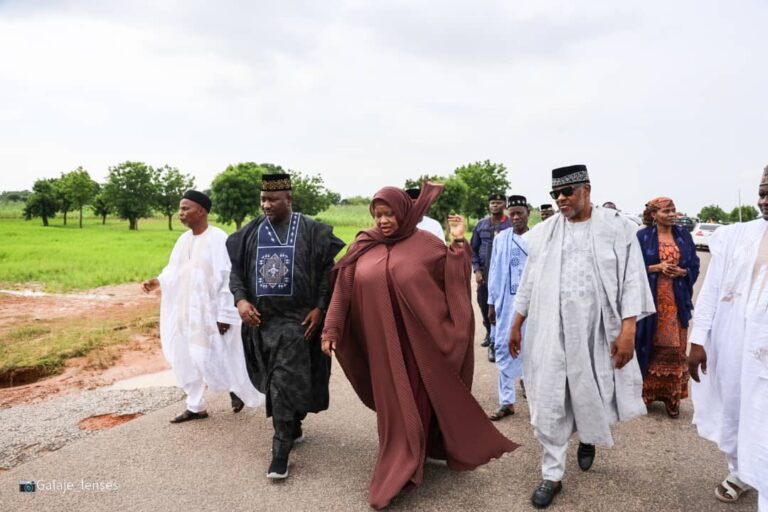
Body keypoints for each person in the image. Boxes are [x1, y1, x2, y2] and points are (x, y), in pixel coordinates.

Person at [321, 183, 518, 509]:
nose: (383, 221)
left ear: (405, 212)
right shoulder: (363, 245)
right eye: (378, 215)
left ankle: (403, 466)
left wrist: (458, 242)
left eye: (390, 214)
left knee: (413, 402)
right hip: (382, 346)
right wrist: (332, 329)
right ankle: (409, 453)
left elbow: (452, 278)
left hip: (418, 345)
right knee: (393, 405)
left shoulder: (425, 244)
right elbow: (343, 289)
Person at [508, 165, 655, 509]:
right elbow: (529, 282)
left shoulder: (618, 229)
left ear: (586, 189)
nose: (561, 199)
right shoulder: (544, 233)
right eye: (555, 194)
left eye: (568, 191)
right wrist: (516, 322)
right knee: (549, 398)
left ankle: (587, 435)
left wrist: (628, 329)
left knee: (591, 393)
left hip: (597, 330)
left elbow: (633, 280)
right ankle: (552, 474)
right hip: (551, 329)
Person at [226, 174, 345, 480]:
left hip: (297, 323)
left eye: (273, 200)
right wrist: (241, 301)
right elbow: (236, 274)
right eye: (263, 199)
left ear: (289, 200)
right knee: (280, 382)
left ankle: (280, 451)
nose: (266, 204)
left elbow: (325, 273)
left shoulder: (312, 231)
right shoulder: (248, 233)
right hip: (261, 322)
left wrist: (320, 307)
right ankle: (293, 423)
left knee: (282, 380)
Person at [141, 190, 264, 424]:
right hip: (187, 312)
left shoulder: (218, 239)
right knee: (186, 356)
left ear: (201, 211)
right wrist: (158, 282)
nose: (181, 213)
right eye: (180, 209)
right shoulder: (183, 241)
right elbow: (174, 271)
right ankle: (195, 405)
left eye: (185, 208)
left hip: (212, 313)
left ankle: (235, 388)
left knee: (215, 356)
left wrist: (226, 314)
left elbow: (229, 277)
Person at [688, 167, 768, 509]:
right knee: (735, 408)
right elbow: (712, 290)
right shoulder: (738, 235)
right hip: (734, 344)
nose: (763, 200)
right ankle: (740, 471)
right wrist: (698, 339)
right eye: (762, 192)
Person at [635, 197, 699, 417]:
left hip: (677, 302)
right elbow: (632, 268)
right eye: (667, 211)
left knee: (675, 349)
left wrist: (683, 272)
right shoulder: (642, 237)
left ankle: (672, 398)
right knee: (648, 346)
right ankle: (647, 395)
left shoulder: (683, 235)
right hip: (652, 304)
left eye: (674, 210)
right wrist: (656, 267)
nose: (672, 214)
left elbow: (694, 265)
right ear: (654, 214)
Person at [487, 195, 530, 418]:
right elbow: (494, 271)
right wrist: (491, 303)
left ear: (527, 213)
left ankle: (536, 400)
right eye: (512, 214)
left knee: (531, 352)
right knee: (504, 348)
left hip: (531, 309)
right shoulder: (501, 238)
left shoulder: (537, 238)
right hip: (505, 305)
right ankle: (507, 402)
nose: (515, 218)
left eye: (519, 213)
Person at [471, 193, 512, 348]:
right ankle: (489, 332)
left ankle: (503, 335)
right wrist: (477, 271)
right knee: (483, 303)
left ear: (505, 205)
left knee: (505, 305)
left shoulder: (511, 224)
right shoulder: (481, 225)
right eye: (492, 203)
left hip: (505, 274)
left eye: (499, 202)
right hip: (485, 273)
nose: (495, 205)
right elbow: (473, 250)